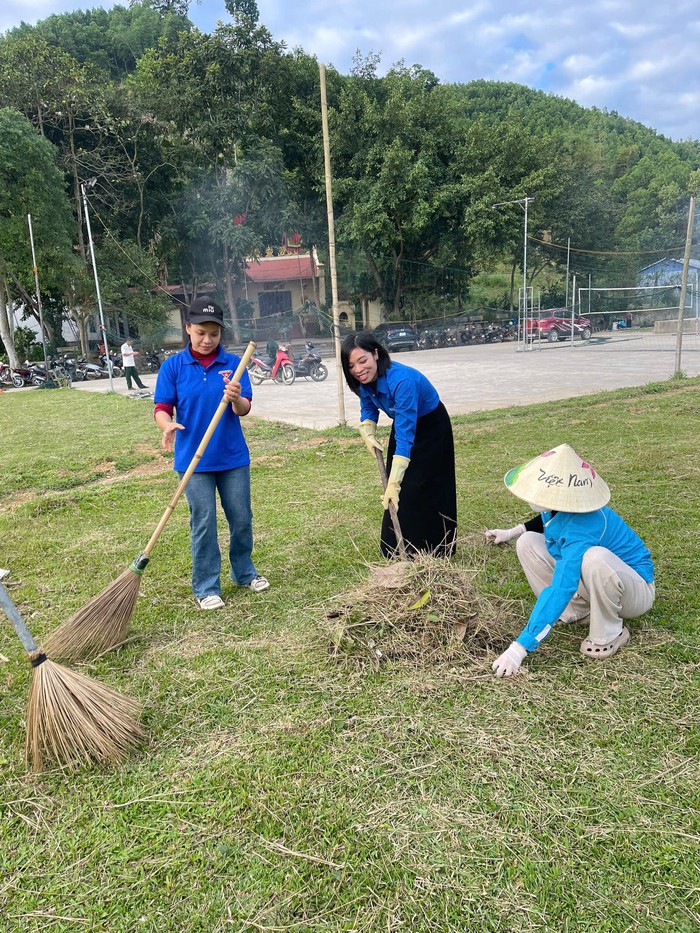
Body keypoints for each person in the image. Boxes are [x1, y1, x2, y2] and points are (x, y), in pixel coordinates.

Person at [485, 443, 655, 677]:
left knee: (594, 558)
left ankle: (610, 632)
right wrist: (512, 532)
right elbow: (544, 519)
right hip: (600, 582)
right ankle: (577, 612)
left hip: (635, 591)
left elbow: (562, 586)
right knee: (528, 542)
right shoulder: (559, 507)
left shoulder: (581, 527)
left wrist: (520, 647)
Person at [153, 296, 269, 609]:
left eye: (214, 334)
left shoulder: (235, 364)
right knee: (203, 521)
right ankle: (206, 587)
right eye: (201, 332)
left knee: (241, 518)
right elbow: (162, 407)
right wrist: (166, 425)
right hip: (193, 460)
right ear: (188, 328)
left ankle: (244, 573)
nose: (207, 340)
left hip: (232, 457)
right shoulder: (174, 367)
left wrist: (235, 398)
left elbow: (244, 409)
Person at [340, 331, 457, 558]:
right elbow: (368, 403)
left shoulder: (401, 381)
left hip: (432, 427)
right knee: (404, 489)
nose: (358, 370)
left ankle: (436, 549)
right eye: (351, 365)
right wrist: (368, 426)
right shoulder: (363, 380)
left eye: (362, 361)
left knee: (425, 485)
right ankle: (397, 549)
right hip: (403, 425)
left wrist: (394, 482)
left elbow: (405, 436)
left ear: (375, 354)